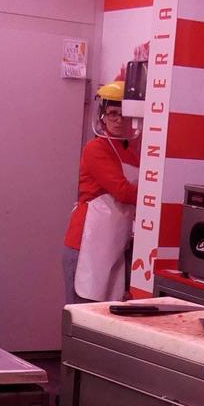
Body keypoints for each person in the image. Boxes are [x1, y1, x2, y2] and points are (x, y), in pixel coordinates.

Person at [62, 81, 141, 305]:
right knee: (82, 313)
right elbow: (123, 192)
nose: (118, 119)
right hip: (85, 244)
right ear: (103, 116)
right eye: (113, 113)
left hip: (114, 244)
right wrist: (153, 200)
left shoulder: (132, 152)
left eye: (124, 113)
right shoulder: (97, 149)